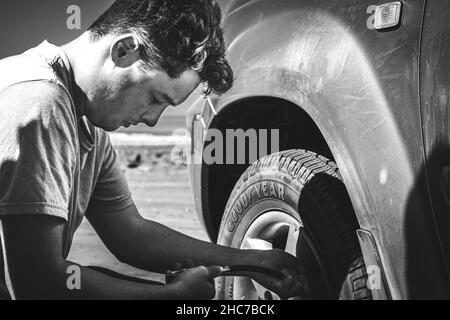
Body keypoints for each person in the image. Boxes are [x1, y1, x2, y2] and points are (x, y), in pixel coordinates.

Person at [0, 0, 309, 300]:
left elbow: (131, 234)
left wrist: (247, 261)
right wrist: (172, 296)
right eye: (156, 98)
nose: (151, 120)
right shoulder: (40, 102)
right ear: (124, 50)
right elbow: (36, 283)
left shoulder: (82, 119)